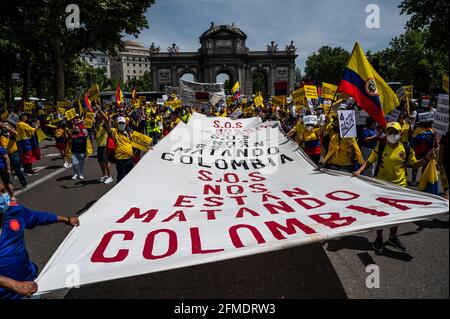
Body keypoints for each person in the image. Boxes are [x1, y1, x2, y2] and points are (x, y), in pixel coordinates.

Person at [353, 122, 435, 253]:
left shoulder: (406, 148)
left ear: (400, 133)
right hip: (381, 186)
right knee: (380, 214)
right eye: (389, 132)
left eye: (395, 132)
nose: (392, 135)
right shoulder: (381, 145)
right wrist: (359, 171)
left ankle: (392, 237)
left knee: (397, 215)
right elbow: (370, 161)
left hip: (399, 187)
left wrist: (426, 158)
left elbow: (414, 164)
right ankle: (379, 238)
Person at [0, 184, 79, 299]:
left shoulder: (14, 211)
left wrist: (66, 219)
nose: (3, 197)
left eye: (3, 191)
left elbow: (38, 217)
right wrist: (13, 285)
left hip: (29, 285)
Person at [106, 115, 135, 183]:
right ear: (117, 124)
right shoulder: (115, 132)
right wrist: (109, 119)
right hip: (120, 160)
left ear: (125, 124)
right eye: (119, 123)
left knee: (132, 175)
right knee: (121, 177)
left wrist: (147, 146)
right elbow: (109, 128)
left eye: (122, 123)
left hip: (129, 159)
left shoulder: (129, 133)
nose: (121, 124)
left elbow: (137, 142)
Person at [0, 122, 28, 189]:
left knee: (17, 170)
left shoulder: (11, 134)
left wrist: (6, 127)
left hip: (13, 154)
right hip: (3, 156)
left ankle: (24, 183)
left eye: (7, 125)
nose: (5, 126)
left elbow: (15, 133)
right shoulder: (1, 134)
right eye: (4, 125)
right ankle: (9, 187)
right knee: (6, 172)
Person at [95, 110, 113, 184]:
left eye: (100, 114)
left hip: (105, 145)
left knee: (106, 161)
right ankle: (104, 175)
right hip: (99, 145)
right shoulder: (98, 124)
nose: (98, 115)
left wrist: (99, 109)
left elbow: (106, 119)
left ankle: (109, 176)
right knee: (100, 161)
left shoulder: (105, 123)